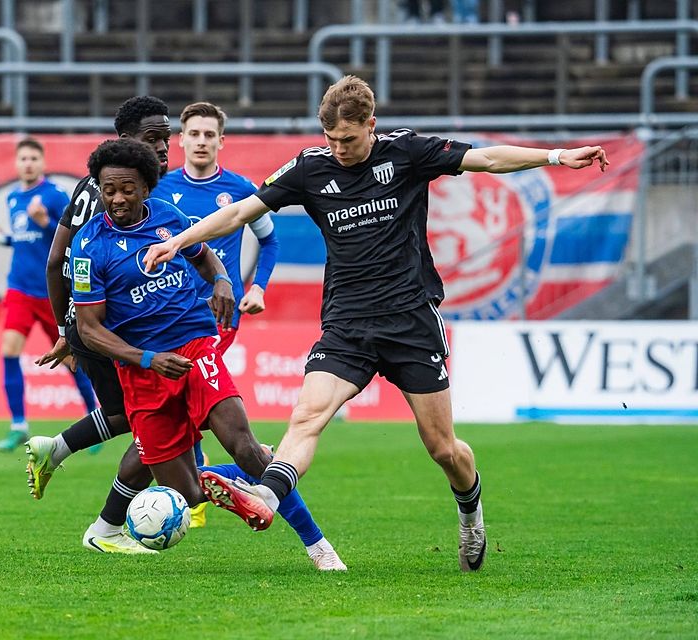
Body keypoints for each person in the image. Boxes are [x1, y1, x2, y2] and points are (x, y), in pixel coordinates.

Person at [144, 75, 610, 572]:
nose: (339, 149)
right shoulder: (309, 167)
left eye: (348, 138)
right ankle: (268, 497)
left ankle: (470, 510)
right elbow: (240, 212)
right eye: (331, 139)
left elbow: (488, 159)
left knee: (443, 448)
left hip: (411, 319)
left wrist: (558, 156)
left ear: (371, 124)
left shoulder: (406, 152)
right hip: (347, 321)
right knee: (307, 416)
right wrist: (180, 241)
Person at [31, 98, 345, 570]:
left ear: (145, 187)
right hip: (143, 369)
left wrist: (221, 281)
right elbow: (91, 330)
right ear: (100, 187)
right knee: (190, 492)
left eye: (128, 190)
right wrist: (143, 359)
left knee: (244, 444)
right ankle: (224, 485)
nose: (118, 199)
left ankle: (320, 549)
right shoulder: (89, 247)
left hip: (196, 347)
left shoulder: (168, 218)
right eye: (109, 190)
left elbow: (204, 257)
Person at [152, 101, 280, 527]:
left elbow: (270, 241)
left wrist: (258, 285)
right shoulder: (160, 190)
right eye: (195, 134)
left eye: (210, 135)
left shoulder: (242, 190)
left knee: (189, 390)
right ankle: (243, 465)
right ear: (181, 139)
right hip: (169, 313)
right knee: (183, 395)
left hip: (218, 312)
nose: (202, 141)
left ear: (221, 141)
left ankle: (207, 482)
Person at [0, 137, 97, 453]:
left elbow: (69, 237)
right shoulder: (12, 197)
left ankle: (94, 417)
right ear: (16, 163)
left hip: (52, 292)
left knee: (70, 358)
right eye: (23, 158)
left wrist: (46, 222)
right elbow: (28, 242)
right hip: (19, 288)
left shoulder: (54, 195)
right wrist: (5, 240)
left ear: (42, 162)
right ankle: (18, 425)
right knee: (9, 349)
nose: (28, 163)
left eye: (33, 158)